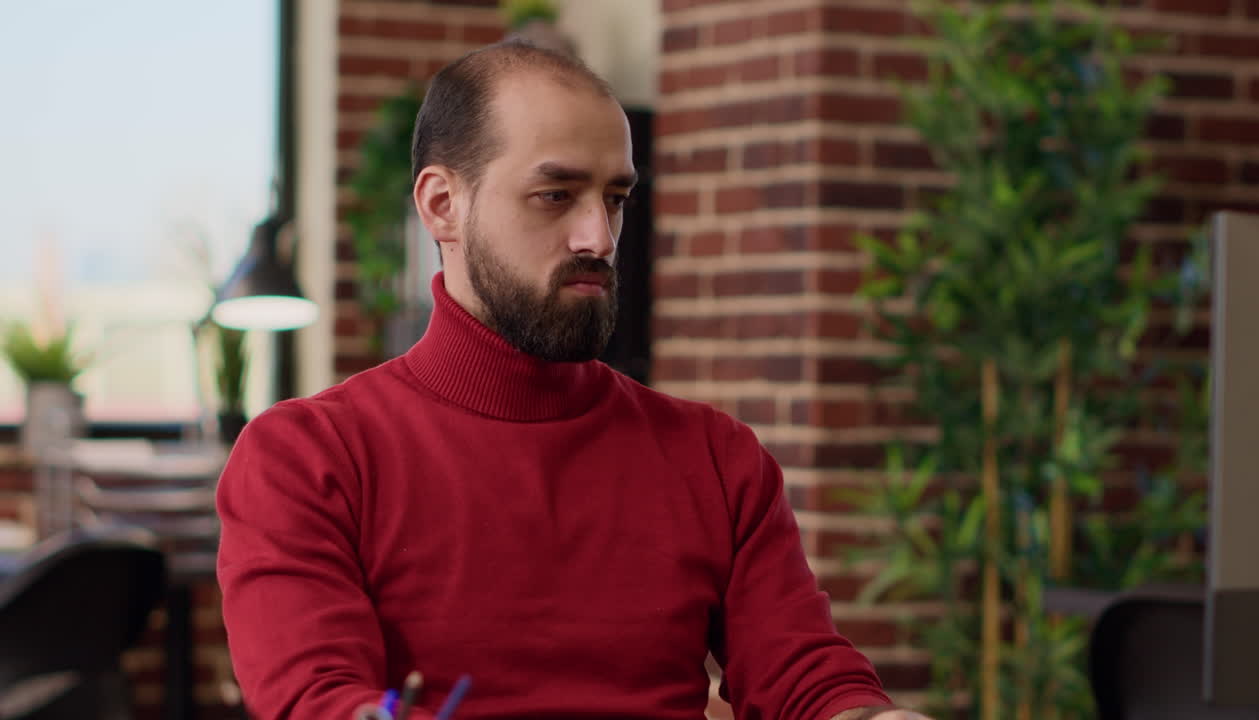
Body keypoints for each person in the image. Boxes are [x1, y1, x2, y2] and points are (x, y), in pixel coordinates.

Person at [216, 40, 933, 720]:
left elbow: (805, 680)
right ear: (442, 205)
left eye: (615, 198)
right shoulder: (307, 457)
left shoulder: (715, 456)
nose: (599, 238)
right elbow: (316, 697)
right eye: (556, 196)